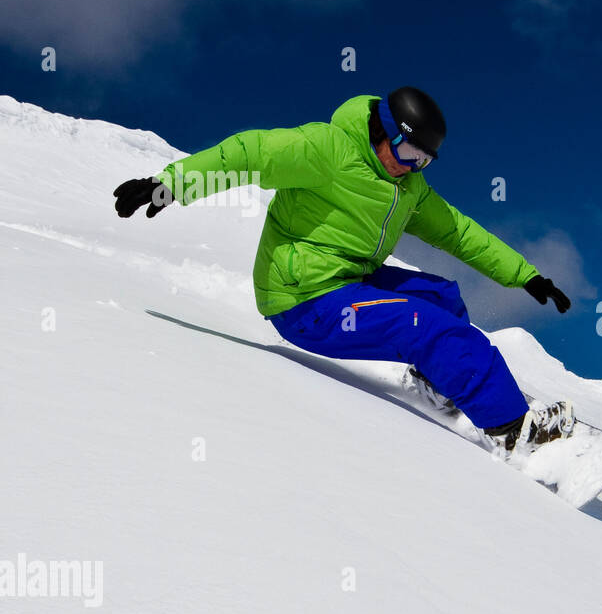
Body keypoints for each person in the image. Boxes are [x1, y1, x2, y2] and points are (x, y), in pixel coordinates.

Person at [113, 87, 574, 451]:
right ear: (385, 132)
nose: (414, 168)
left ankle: (442, 386)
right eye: (411, 154)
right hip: (302, 299)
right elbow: (247, 153)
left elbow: (459, 232)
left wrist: (525, 275)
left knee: (441, 298)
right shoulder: (325, 150)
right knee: (427, 326)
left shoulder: (408, 186)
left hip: (345, 280)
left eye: (425, 161)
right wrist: (168, 184)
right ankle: (513, 431)